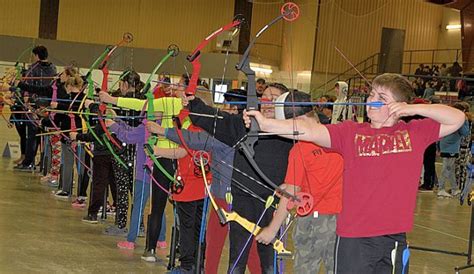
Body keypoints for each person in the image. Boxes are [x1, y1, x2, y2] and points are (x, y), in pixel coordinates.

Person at [244, 73, 466, 273]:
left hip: (393, 237)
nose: (371, 99)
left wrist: (414, 109)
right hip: (353, 237)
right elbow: (310, 130)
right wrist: (264, 123)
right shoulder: (351, 132)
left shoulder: (414, 133)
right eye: (370, 94)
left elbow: (457, 118)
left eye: (380, 96)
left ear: (399, 105)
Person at [183, 82, 292, 273]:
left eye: (274, 98)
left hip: (272, 203)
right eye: (265, 97)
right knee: (237, 260)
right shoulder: (245, 125)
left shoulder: (291, 131)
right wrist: (194, 104)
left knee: (268, 263)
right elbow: (219, 120)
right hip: (241, 200)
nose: (267, 102)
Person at [255, 90, 343, 274]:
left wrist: (272, 229)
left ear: (298, 120)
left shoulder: (300, 149)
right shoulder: (338, 136)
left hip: (314, 221)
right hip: (344, 220)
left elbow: (290, 194)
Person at [437, 103, 470, 198]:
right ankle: (441, 189)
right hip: (450, 147)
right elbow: (465, 132)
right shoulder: (459, 120)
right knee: (446, 169)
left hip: (446, 145)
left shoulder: (447, 118)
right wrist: (465, 121)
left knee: (450, 169)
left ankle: (454, 188)